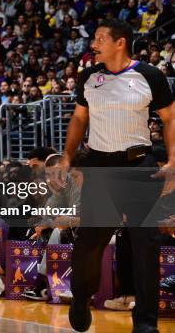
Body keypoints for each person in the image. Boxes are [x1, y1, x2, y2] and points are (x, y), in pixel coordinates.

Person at [61, 19, 173, 333]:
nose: (93, 44)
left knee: (146, 244)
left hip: (138, 165)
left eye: (99, 39)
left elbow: (170, 118)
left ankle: (146, 323)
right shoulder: (88, 77)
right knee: (90, 243)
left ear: (119, 42)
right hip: (99, 166)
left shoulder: (149, 76)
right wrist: (68, 157)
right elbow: (79, 119)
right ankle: (82, 297)